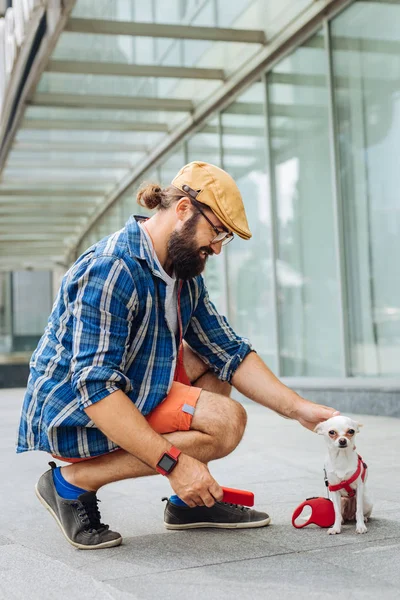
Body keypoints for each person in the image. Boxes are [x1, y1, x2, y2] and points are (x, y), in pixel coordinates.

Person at [17, 161, 339, 550]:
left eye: (225, 238)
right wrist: (176, 464)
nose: (218, 247)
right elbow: (95, 387)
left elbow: (229, 351)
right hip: (76, 412)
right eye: (217, 230)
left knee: (213, 360)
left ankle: (186, 504)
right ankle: (70, 483)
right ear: (184, 209)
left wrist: (298, 409)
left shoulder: (184, 275)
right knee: (226, 422)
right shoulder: (112, 269)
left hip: (131, 388)